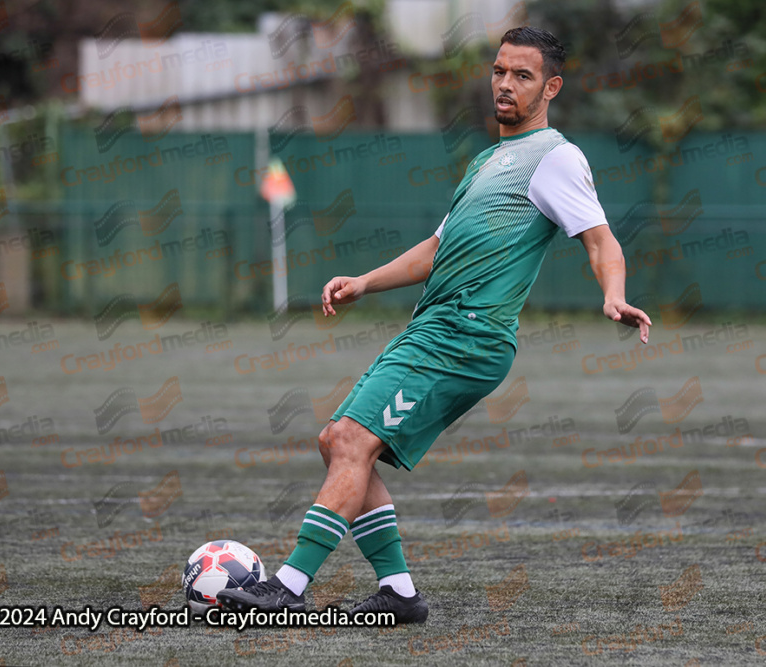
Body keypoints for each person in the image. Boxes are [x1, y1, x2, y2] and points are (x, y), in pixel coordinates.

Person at [218, 25, 652, 623]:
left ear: (551, 87)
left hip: (467, 334)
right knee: (339, 442)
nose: (504, 84)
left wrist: (614, 295)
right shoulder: (489, 158)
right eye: (499, 71)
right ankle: (397, 593)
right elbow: (437, 248)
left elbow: (602, 241)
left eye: (522, 75)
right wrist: (364, 281)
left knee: (349, 439)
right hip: (437, 327)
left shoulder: (557, 158)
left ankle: (287, 588)